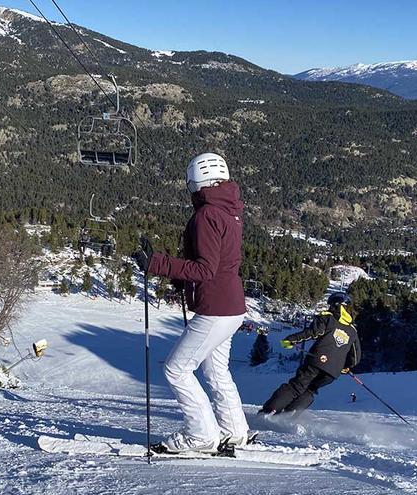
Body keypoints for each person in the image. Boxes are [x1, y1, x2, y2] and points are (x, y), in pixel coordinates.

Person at [132, 152, 249, 454]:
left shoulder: (207, 214)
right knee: (215, 370)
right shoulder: (229, 210)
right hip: (232, 306)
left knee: (176, 369)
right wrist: (177, 276)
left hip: (216, 308)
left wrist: (156, 264)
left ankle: (201, 436)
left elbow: (205, 269)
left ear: (196, 180)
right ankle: (234, 431)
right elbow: (215, 263)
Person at [260, 292, 361, 415]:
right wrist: (345, 367)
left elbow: (313, 332)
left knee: (296, 386)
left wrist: (292, 339)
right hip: (332, 373)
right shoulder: (352, 331)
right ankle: (289, 414)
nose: (329, 307)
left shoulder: (328, 318)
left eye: (330, 305)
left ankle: (270, 410)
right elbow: (355, 357)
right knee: (310, 390)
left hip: (316, 361)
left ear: (335, 305)